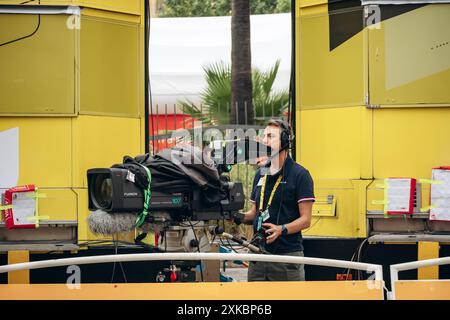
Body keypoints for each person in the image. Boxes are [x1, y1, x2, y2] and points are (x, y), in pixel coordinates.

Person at [235, 119, 315, 281]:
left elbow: (306, 220)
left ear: (285, 140)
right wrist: (237, 216)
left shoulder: (300, 175)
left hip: (287, 260)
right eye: (264, 136)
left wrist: (282, 229)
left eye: (270, 136)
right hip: (257, 259)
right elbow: (254, 213)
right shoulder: (260, 173)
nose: (264, 141)